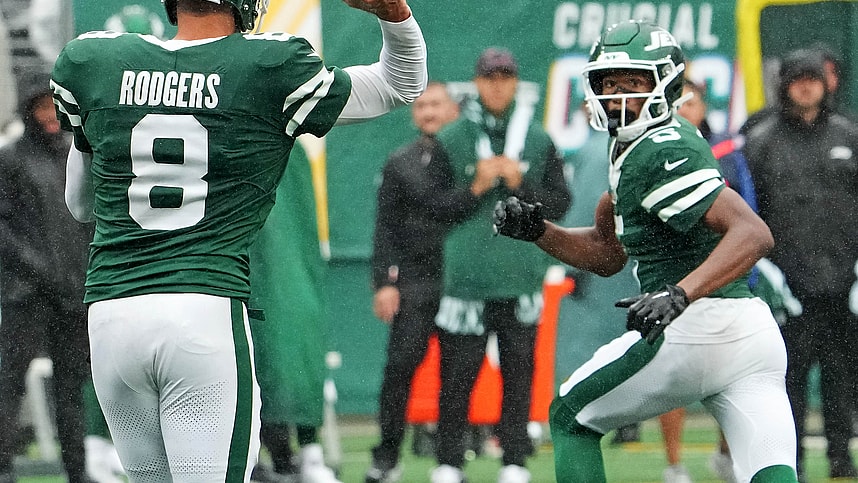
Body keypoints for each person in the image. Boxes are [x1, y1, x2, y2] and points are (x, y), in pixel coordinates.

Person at [49, 0, 427, 480]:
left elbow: (79, 204)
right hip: (201, 311)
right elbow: (402, 83)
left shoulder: (94, 61)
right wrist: (395, 14)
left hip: (111, 316)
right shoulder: (269, 66)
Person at [493, 20, 798, 483]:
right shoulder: (634, 147)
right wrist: (540, 230)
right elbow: (607, 252)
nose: (617, 96)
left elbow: (753, 233)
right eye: (608, 83)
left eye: (632, 83)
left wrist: (680, 292)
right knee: (769, 469)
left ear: (667, 84)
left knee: (572, 416)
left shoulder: (660, 147)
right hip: (751, 336)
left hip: (697, 326)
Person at [429, 47, 571, 483]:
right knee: (456, 377)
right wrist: (475, 187)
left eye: (505, 76)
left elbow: (561, 204)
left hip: (519, 276)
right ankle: (450, 461)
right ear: (476, 82)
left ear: (516, 82)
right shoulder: (451, 139)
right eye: (490, 76)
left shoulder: (538, 139)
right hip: (466, 281)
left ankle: (514, 460)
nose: (497, 84)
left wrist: (520, 182)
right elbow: (434, 209)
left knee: (519, 374)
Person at [744, 47, 858, 481]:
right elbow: (746, 215)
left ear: (826, 83)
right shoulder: (761, 141)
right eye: (798, 78)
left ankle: (841, 460)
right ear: (785, 84)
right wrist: (767, 275)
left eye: (814, 77)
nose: (806, 85)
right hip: (785, 290)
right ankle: (788, 464)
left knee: (841, 378)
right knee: (784, 383)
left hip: (842, 286)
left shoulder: (849, 136)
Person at [364, 81, 460, 483]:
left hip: (459, 281)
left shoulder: (470, 159)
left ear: (453, 109)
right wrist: (384, 283)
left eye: (436, 104)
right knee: (400, 369)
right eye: (421, 105)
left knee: (458, 372)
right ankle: (387, 457)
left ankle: (450, 460)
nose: (429, 112)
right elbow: (385, 228)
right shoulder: (400, 161)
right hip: (416, 281)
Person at [0, 71, 92, 483]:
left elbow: (87, 221)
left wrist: (76, 278)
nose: (51, 115)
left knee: (71, 390)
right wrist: (40, 271)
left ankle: (78, 472)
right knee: (9, 384)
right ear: (27, 110)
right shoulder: (10, 160)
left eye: (55, 106)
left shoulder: (77, 156)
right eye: (42, 106)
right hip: (26, 296)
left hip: (72, 297)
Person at [245, 142, 342, 483]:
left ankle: (302, 452)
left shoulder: (291, 153)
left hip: (276, 275)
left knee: (288, 349)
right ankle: (263, 455)